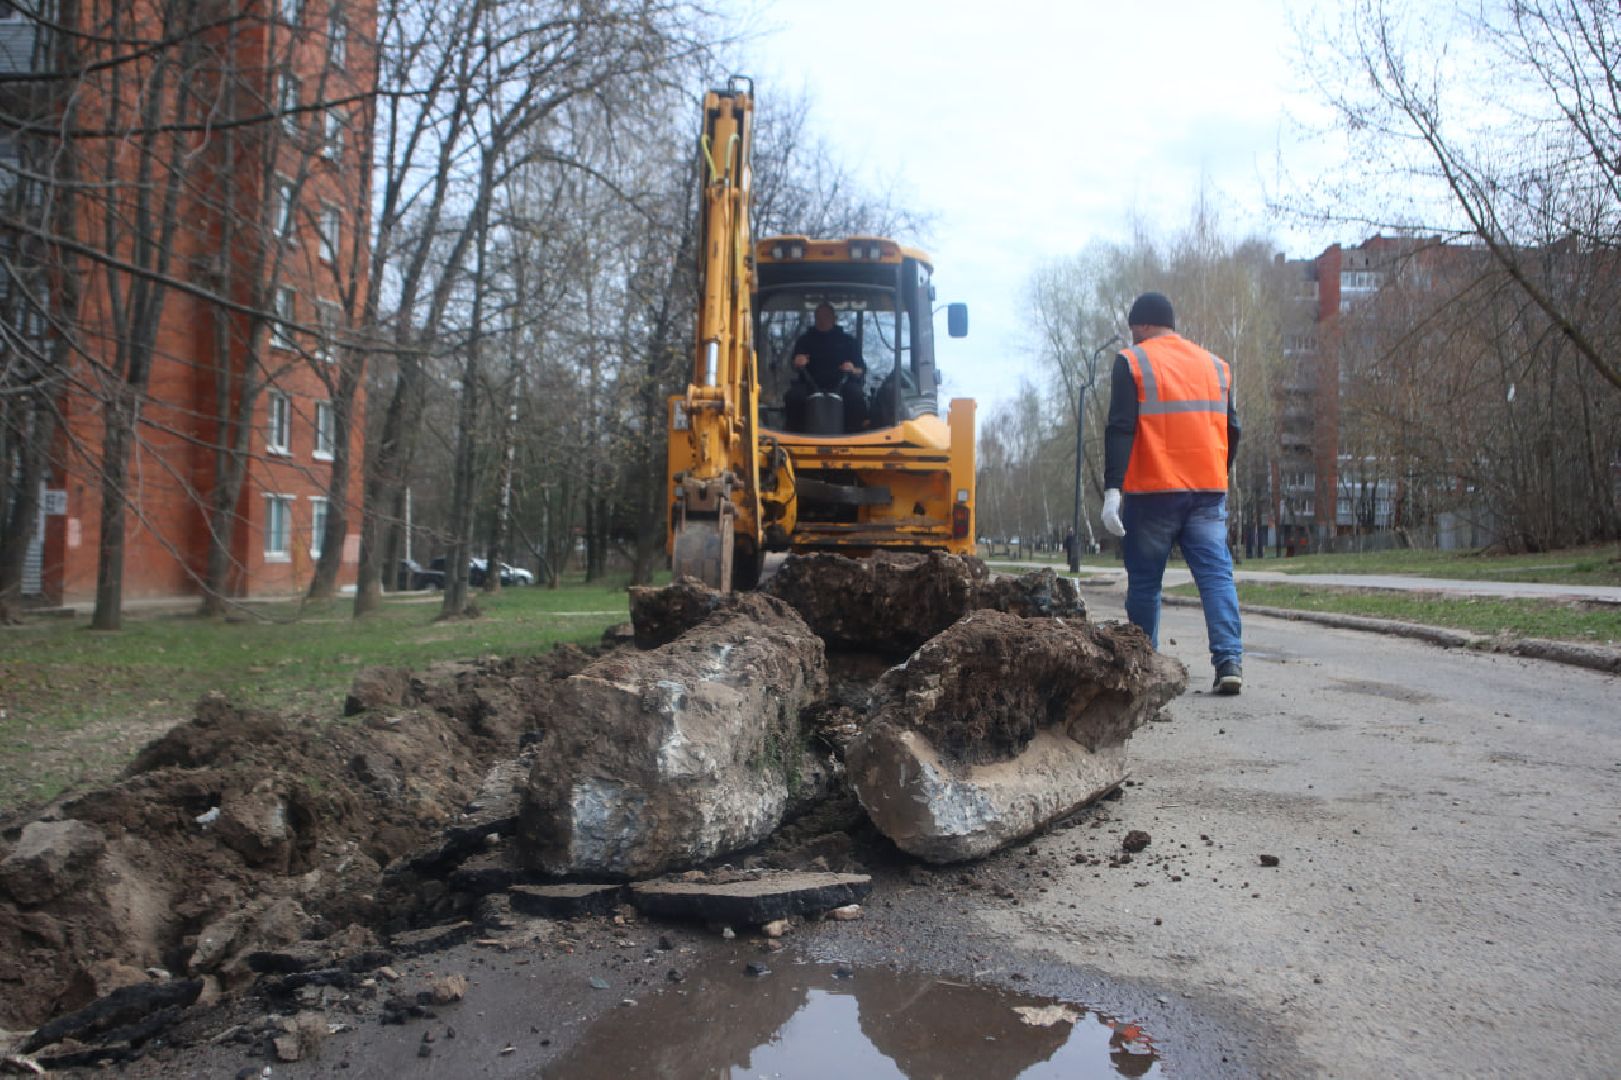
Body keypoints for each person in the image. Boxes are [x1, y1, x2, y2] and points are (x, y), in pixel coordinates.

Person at [1100, 291, 1244, 695]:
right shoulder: (1215, 365)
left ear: (1144, 325)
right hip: (1207, 491)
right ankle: (1229, 661)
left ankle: (1145, 666)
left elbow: (1121, 426)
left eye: (1133, 329)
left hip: (1154, 491)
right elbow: (1232, 428)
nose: (1132, 337)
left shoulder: (1132, 361)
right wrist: (1218, 471)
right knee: (1215, 576)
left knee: (1146, 582)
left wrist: (1113, 489)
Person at [785, 302, 867, 432]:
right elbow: (794, 364)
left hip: (842, 386)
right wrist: (797, 362)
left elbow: (861, 370)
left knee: (855, 394)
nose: (823, 320)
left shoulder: (848, 341)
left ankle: (856, 433)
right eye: (819, 317)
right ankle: (794, 434)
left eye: (826, 316)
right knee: (793, 396)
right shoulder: (804, 340)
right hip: (809, 386)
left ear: (834, 318)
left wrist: (852, 369)